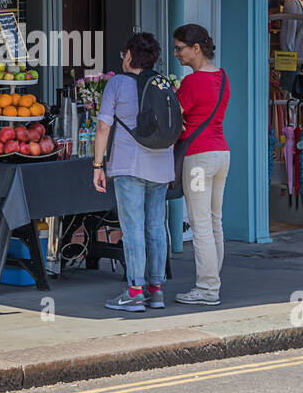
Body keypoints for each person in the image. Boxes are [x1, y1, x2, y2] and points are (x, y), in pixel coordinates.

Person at [92, 32, 175, 313]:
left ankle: (134, 291)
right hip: (161, 166)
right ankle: (156, 290)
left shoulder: (116, 83)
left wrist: (97, 165)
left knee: (133, 229)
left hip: (129, 166)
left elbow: (104, 127)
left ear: (129, 55)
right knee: (155, 228)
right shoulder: (163, 84)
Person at [172, 24, 230, 306]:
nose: (176, 54)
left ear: (196, 49)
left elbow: (175, 116)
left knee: (200, 223)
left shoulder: (192, 82)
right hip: (221, 154)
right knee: (215, 221)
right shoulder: (223, 77)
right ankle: (212, 280)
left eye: (180, 48)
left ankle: (207, 289)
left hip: (198, 158)